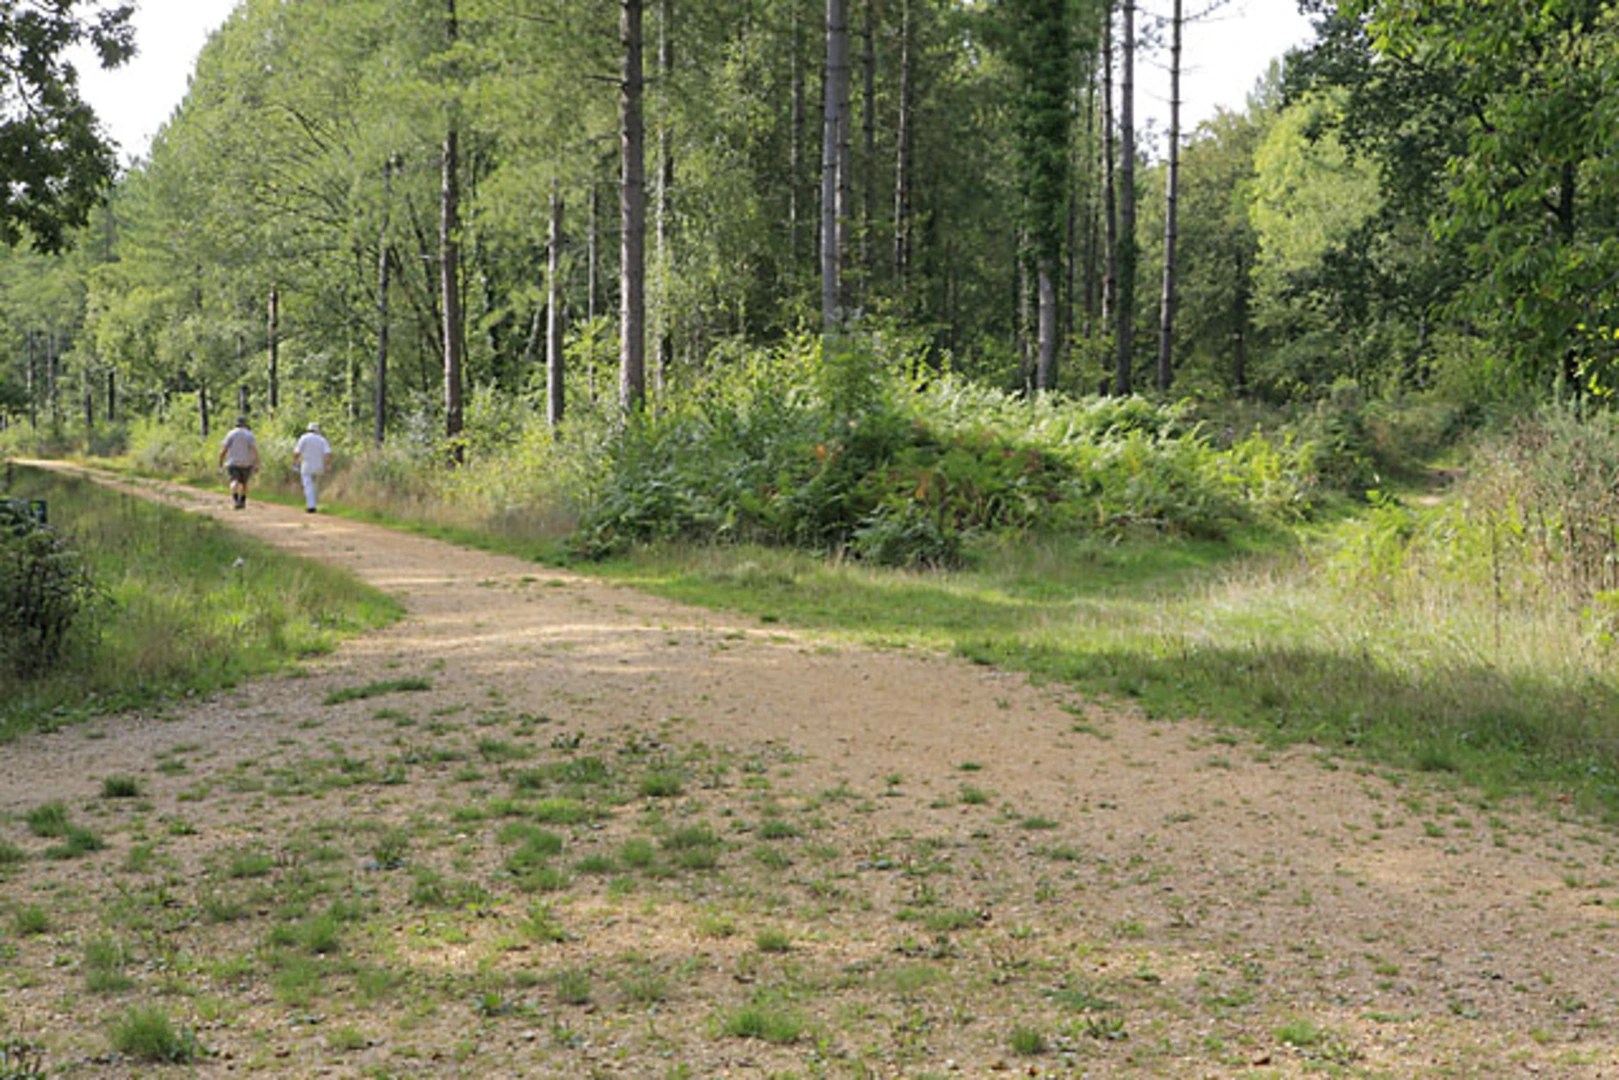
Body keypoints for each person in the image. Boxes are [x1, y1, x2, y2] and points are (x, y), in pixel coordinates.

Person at [218, 416, 260, 510]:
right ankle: (242, 501)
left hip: (232, 462)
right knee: (244, 483)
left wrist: (220, 462)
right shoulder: (249, 435)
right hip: (247, 462)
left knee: (234, 481)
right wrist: (257, 462)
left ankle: (236, 499)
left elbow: (224, 449)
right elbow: (254, 450)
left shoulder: (230, 434)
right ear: (245, 424)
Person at [292, 421, 334, 514]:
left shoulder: (304, 438)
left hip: (306, 465)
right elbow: (328, 453)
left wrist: (295, 462)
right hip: (318, 466)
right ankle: (314, 503)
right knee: (315, 485)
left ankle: (311, 506)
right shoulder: (322, 439)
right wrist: (327, 464)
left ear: (308, 429)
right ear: (317, 430)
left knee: (307, 485)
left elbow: (297, 452)